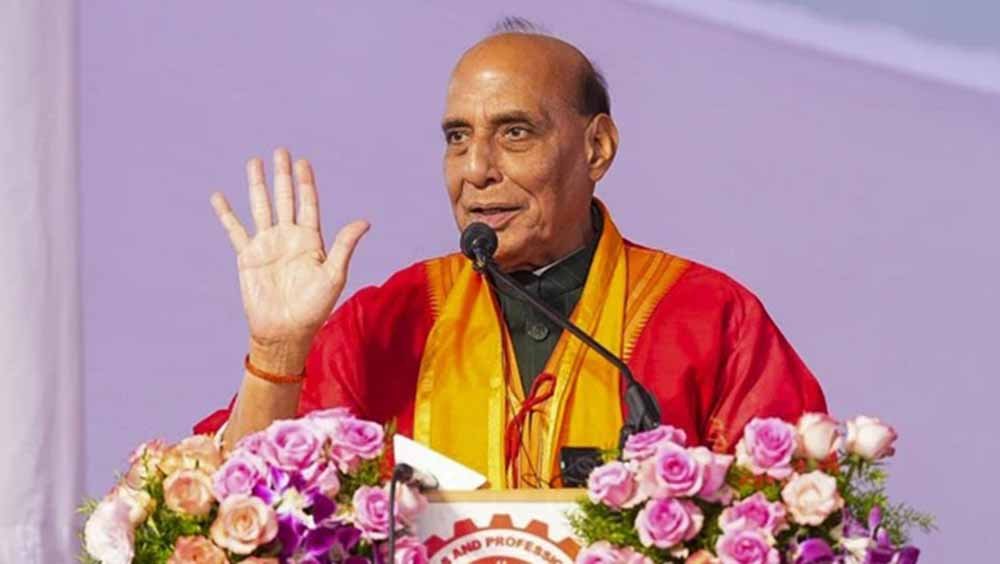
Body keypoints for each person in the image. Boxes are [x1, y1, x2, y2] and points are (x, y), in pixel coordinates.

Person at [197, 23, 825, 489]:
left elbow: (791, 517)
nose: (476, 169)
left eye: (515, 133)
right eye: (457, 137)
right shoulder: (388, 322)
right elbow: (246, 507)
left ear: (597, 148)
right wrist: (278, 351)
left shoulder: (711, 318)